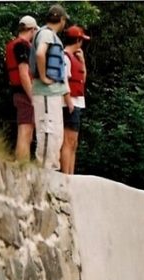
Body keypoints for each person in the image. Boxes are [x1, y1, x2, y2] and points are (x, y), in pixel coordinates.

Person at [29, 4, 71, 171]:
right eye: (64, 20)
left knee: (56, 133)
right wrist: (44, 76)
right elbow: (40, 53)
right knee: (48, 131)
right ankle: (44, 169)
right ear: (60, 19)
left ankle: (52, 168)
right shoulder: (46, 33)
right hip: (46, 93)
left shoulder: (49, 34)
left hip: (53, 94)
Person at [5, 15, 38, 161]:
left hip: (18, 92)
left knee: (27, 132)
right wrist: (32, 97)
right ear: (32, 30)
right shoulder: (22, 45)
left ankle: (22, 166)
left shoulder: (15, 44)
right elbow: (24, 73)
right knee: (25, 131)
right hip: (25, 93)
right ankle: (22, 168)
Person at [60, 25, 90, 175]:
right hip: (69, 103)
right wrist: (68, 101)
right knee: (68, 140)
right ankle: (66, 174)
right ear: (78, 40)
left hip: (77, 101)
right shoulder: (65, 57)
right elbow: (63, 79)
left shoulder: (76, 58)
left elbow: (82, 80)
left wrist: (83, 62)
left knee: (74, 142)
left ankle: (71, 174)